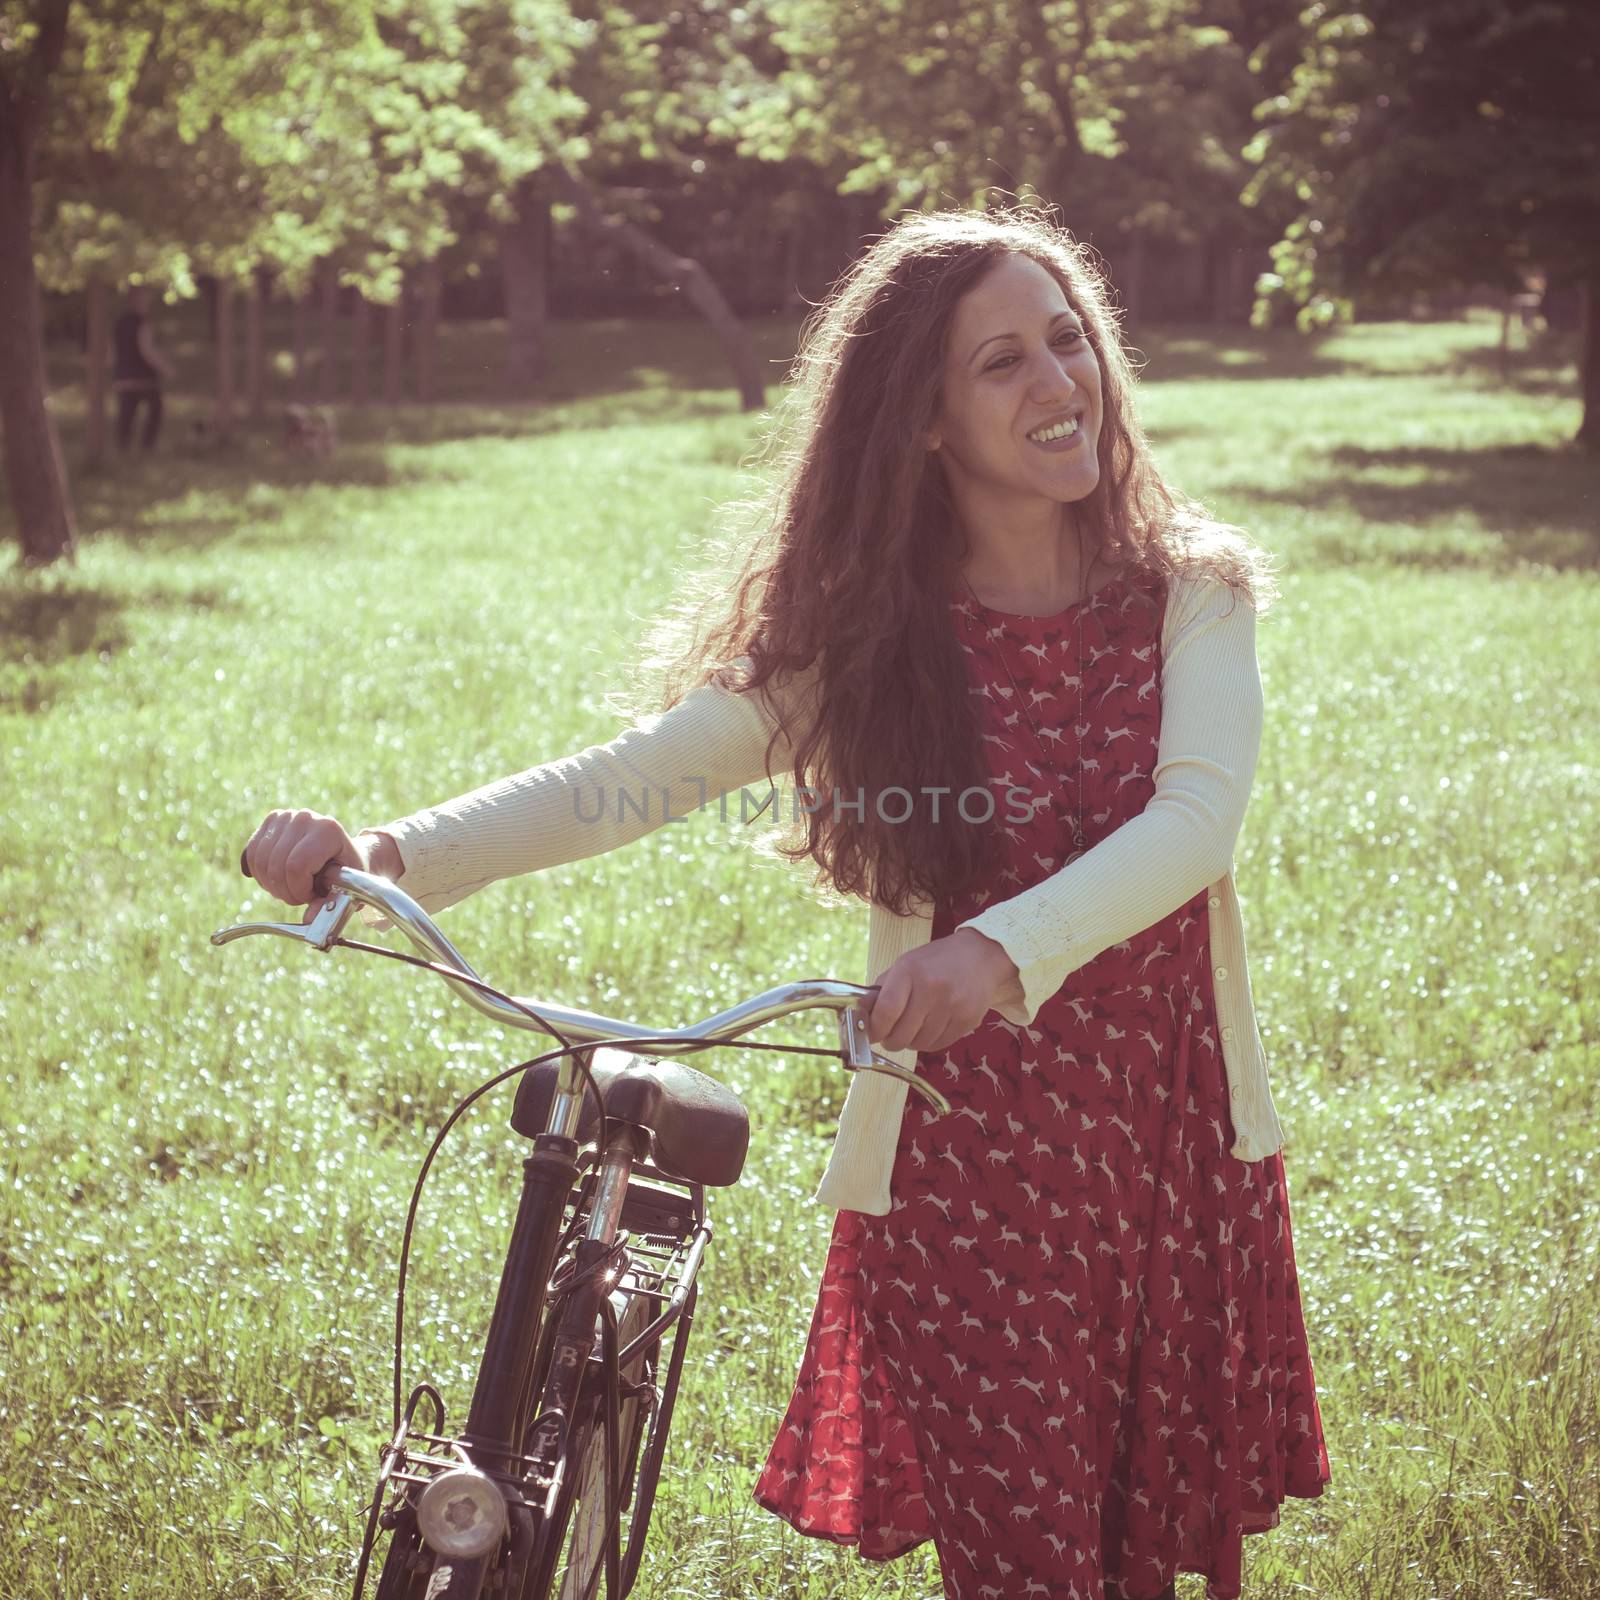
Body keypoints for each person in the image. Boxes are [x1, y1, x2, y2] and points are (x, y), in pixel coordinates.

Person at [240, 205, 1332, 1600]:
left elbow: (1196, 822)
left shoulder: (1194, 587)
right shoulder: (877, 639)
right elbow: (632, 779)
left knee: (1141, 1556)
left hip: (1169, 1144)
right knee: (1024, 1567)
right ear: (923, 420)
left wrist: (997, 951)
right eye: (1000, 363)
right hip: (966, 1160)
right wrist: (390, 851)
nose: (1060, 385)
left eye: (1069, 343)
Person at [111, 285, 175, 450]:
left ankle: (123, 450)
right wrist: (165, 369)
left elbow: (111, 351)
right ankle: (147, 447)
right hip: (143, 378)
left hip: (123, 377)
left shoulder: (119, 323)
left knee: (126, 416)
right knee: (156, 410)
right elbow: (147, 351)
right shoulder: (142, 323)